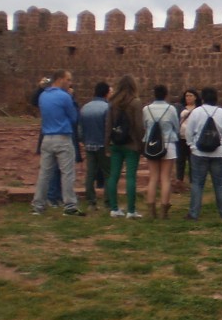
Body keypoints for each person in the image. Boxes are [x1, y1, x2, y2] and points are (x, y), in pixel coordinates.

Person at [30, 69, 83, 216]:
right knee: (67, 173)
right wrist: (72, 99)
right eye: (68, 80)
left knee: (44, 174)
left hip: (47, 137)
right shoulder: (64, 96)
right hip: (63, 137)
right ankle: (70, 205)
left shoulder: (43, 96)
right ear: (60, 79)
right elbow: (74, 117)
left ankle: (38, 205)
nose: (70, 83)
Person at [184, 87, 222, 221]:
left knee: (197, 184)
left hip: (199, 153)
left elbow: (189, 132)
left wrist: (192, 146)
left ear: (202, 98)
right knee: (220, 184)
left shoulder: (196, 112)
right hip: (219, 153)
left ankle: (194, 213)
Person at [106, 74, 144, 219]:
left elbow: (108, 125)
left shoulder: (112, 102)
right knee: (130, 177)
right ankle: (131, 210)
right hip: (131, 144)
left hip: (115, 143)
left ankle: (114, 208)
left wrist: (107, 143)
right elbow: (139, 126)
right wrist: (141, 144)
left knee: (113, 175)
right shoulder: (135, 102)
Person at [142, 84, 181, 219]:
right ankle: (164, 210)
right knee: (165, 178)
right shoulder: (171, 109)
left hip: (151, 144)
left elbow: (145, 125)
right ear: (166, 94)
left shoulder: (146, 109)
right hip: (168, 144)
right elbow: (176, 126)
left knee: (153, 177)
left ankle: (151, 210)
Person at [78, 81, 111, 210]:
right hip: (102, 145)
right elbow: (108, 128)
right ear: (106, 93)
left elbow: (80, 129)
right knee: (108, 173)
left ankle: (91, 202)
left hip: (89, 145)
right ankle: (108, 202)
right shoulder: (107, 108)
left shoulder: (85, 107)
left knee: (90, 174)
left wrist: (84, 141)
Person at [175, 88, 200, 191]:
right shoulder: (180, 108)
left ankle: (192, 182)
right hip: (181, 138)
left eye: (190, 95)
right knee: (180, 161)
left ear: (195, 97)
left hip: (193, 139)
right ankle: (179, 182)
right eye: (186, 96)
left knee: (192, 161)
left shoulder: (199, 109)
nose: (188, 98)